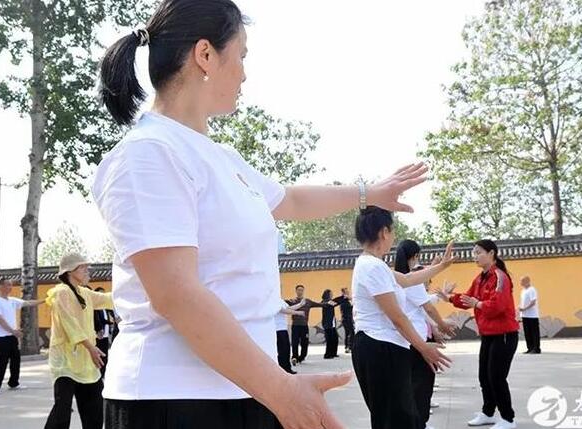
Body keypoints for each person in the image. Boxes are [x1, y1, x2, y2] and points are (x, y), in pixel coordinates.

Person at [94, 0, 429, 427]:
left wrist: (370, 192)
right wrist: (281, 390)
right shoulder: (149, 154)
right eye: (243, 55)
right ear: (206, 55)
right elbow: (176, 293)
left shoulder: (222, 157)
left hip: (246, 386)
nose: (246, 73)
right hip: (174, 401)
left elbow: (288, 201)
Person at [351, 207, 454, 429]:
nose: (394, 236)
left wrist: (440, 266)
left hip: (383, 348)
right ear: (384, 232)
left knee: (398, 417)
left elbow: (408, 280)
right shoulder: (372, 267)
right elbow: (397, 317)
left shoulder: (375, 265)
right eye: (393, 231)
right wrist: (424, 348)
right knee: (396, 419)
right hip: (380, 347)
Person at [446, 240, 520, 429]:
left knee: (496, 376)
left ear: (491, 253)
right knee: (484, 376)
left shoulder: (500, 276)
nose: (475, 256)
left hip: (504, 334)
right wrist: (448, 297)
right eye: (474, 252)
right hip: (488, 334)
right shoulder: (480, 278)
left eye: (478, 252)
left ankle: (508, 418)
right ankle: (488, 413)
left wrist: (477, 304)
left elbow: (498, 305)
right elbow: (468, 299)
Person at [44, 253, 113, 429]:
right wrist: (91, 347)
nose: (87, 270)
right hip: (65, 363)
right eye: (82, 267)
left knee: (95, 412)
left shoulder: (85, 293)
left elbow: (109, 299)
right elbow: (70, 324)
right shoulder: (61, 292)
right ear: (69, 271)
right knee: (62, 412)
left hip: (86, 363)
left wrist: (137, 289)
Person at [394, 240, 456, 429]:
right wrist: (442, 325)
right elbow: (427, 308)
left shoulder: (400, 278)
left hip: (410, 339)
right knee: (421, 386)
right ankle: (419, 423)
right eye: (418, 257)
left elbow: (424, 304)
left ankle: (417, 421)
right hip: (417, 341)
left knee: (415, 384)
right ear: (413, 257)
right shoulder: (410, 280)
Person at [0, 278, 44, 394]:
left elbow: (28, 303)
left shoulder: (12, 300)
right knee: (0, 361)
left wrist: (45, 300)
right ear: (1, 286)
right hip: (1, 337)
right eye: (8, 285)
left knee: (15, 360)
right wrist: (13, 331)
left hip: (12, 336)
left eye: (11, 285)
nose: (10, 287)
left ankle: (14, 383)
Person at [285, 284, 329, 365]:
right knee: (295, 342)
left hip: (304, 326)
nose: (300, 291)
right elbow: (283, 304)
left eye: (301, 290)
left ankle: (302, 357)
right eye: (298, 290)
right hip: (295, 326)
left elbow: (320, 304)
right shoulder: (292, 301)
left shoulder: (308, 301)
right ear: (296, 291)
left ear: (303, 291)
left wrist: (329, 303)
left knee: (304, 343)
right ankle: (294, 357)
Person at [275, 300, 306, 374]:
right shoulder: (273, 300)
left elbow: (289, 308)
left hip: (283, 329)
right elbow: (283, 310)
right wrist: (297, 313)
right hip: (277, 329)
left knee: (286, 350)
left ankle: (286, 369)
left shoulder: (281, 301)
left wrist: (300, 305)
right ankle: (282, 370)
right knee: (282, 351)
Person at [93, 286, 115, 377]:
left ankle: (104, 372)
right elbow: (97, 320)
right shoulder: (95, 308)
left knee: (105, 354)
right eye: (100, 294)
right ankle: (99, 373)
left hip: (105, 334)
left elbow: (110, 314)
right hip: (98, 335)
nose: (102, 296)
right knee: (99, 354)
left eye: (103, 293)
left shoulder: (105, 307)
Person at [519, 276, 541, 354]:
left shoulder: (532, 290)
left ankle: (536, 348)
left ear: (527, 281)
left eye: (522, 281)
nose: (520, 283)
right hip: (525, 315)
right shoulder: (523, 291)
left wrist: (524, 308)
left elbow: (533, 302)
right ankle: (530, 348)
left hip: (532, 315)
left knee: (534, 332)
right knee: (527, 332)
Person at [320, 289, 340, 359]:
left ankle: (333, 353)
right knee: (329, 340)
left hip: (332, 324)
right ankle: (327, 355)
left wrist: (343, 298)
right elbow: (336, 302)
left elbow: (336, 302)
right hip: (327, 325)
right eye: (330, 294)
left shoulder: (330, 302)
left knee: (335, 339)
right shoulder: (325, 302)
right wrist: (342, 297)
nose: (332, 295)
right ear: (327, 294)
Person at [333, 288, 354, 353]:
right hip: (346, 319)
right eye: (346, 292)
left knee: (349, 332)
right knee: (350, 332)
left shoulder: (348, 300)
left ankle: (348, 346)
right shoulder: (343, 301)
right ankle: (348, 347)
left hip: (349, 318)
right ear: (343, 293)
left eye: (348, 292)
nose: (348, 293)